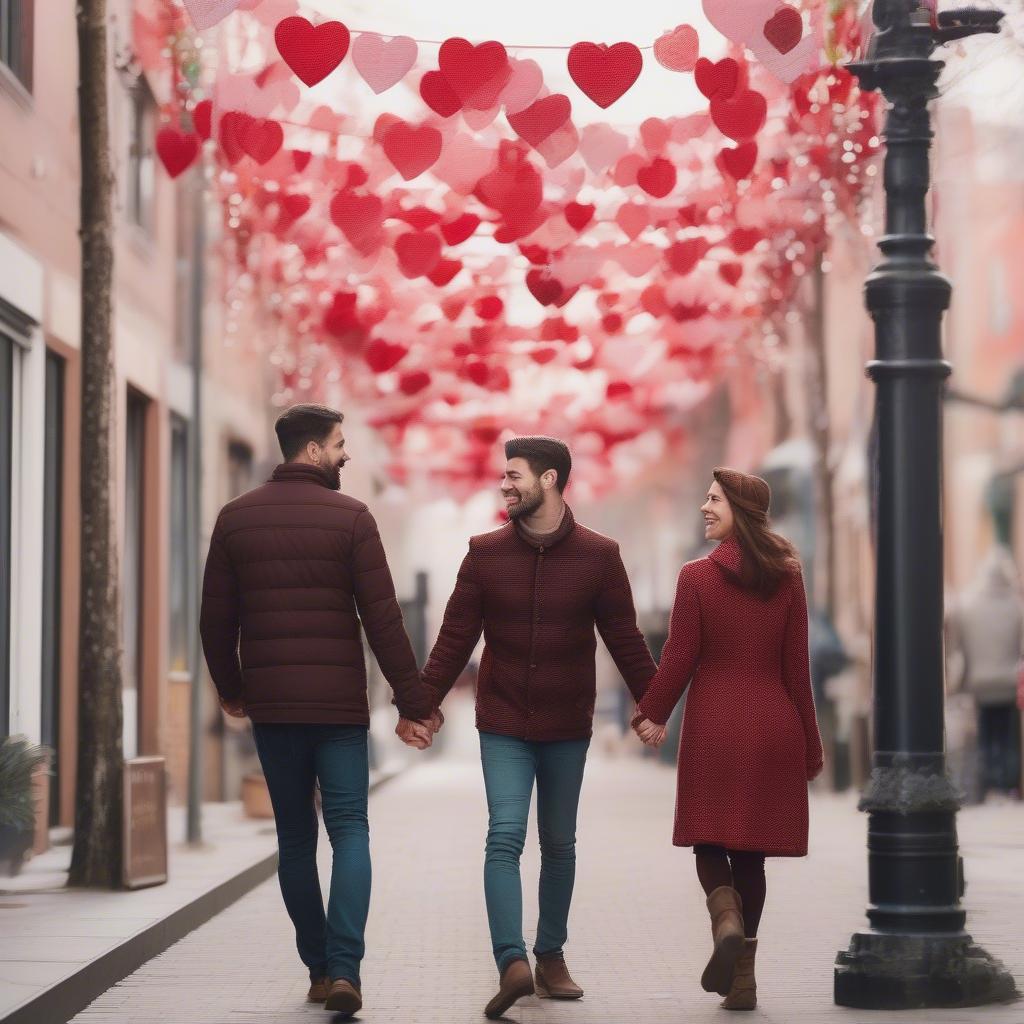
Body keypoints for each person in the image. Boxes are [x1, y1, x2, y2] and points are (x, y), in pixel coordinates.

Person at [200, 404, 439, 1017]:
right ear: (311, 451)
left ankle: (317, 964)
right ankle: (346, 968)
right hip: (337, 711)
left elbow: (215, 621)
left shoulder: (235, 519)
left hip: (274, 710)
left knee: (295, 838)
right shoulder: (352, 519)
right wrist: (414, 704)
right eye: (338, 444)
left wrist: (231, 689)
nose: (345, 454)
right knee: (350, 829)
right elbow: (384, 621)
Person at [411, 435, 657, 1018]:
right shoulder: (485, 553)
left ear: (549, 479)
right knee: (505, 835)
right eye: (504, 474)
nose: (504, 484)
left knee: (560, 843)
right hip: (502, 720)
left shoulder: (600, 555)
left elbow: (624, 638)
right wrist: (419, 706)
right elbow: (453, 640)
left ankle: (550, 956)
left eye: (514, 474)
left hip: (568, 722)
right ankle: (512, 962)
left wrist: (655, 703)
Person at [632, 468, 823, 1012]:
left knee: (709, 839)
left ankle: (725, 921)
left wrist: (651, 713)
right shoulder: (788, 577)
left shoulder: (697, 577)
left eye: (714, 500)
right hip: (774, 724)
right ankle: (742, 982)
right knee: (752, 858)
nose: (704, 507)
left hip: (715, 723)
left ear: (740, 508)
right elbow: (796, 671)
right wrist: (810, 745)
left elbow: (679, 658)